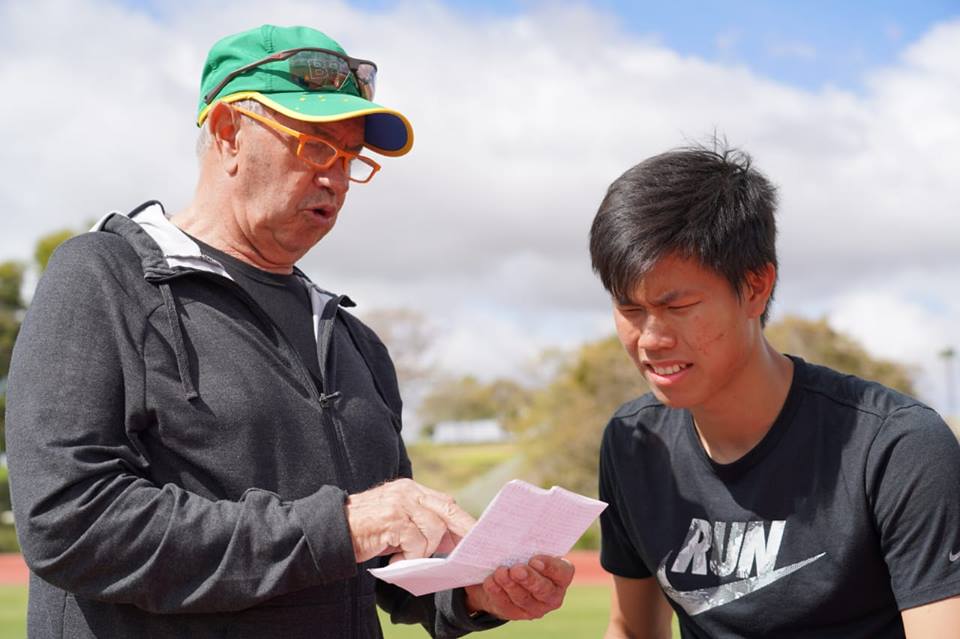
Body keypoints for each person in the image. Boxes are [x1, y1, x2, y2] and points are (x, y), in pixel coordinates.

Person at [5, 24, 572, 639]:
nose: (335, 177)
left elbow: (381, 571)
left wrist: (472, 590)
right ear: (227, 134)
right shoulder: (102, 277)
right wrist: (345, 526)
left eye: (352, 158)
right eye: (317, 145)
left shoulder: (355, 342)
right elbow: (70, 524)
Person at [589, 143, 960, 638]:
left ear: (757, 287)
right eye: (630, 310)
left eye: (677, 307)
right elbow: (633, 630)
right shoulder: (634, 443)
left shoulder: (898, 447)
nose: (651, 340)